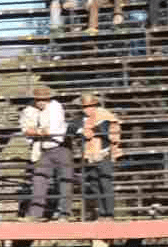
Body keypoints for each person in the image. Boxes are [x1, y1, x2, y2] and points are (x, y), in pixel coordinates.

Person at [22, 85, 72, 221]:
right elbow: (26, 130)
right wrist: (39, 131)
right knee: (39, 180)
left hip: (60, 147)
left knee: (64, 181)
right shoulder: (29, 110)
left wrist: (36, 131)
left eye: (44, 99)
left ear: (49, 99)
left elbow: (52, 130)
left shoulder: (56, 107)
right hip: (43, 148)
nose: (41, 102)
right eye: (38, 99)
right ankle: (35, 214)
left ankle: (64, 214)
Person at [76, 92, 122, 220]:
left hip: (104, 153)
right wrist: (82, 130)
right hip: (90, 155)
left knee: (105, 183)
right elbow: (71, 127)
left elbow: (107, 132)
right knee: (95, 184)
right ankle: (102, 213)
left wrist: (92, 130)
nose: (87, 109)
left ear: (95, 106)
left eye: (89, 106)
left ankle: (109, 213)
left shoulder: (104, 116)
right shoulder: (82, 118)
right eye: (85, 107)